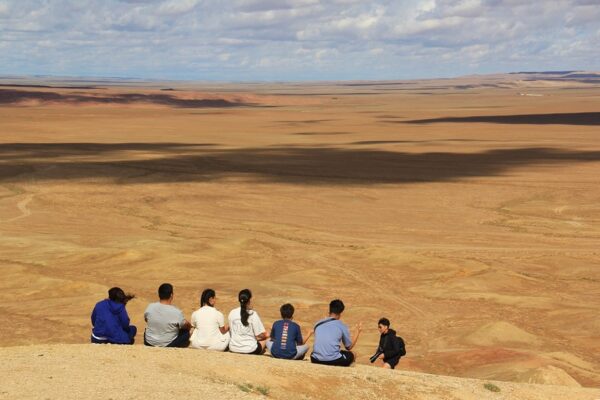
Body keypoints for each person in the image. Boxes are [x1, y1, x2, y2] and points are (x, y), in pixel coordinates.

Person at [310, 299, 362, 367]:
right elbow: (349, 347)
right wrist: (357, 332)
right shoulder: (341, 325)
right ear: (340, 312)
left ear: (330, 309)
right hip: (333, 360)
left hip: (315, 359)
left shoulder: (317, 323)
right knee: (353, 354)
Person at [144, 283, 191, 348]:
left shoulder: (150, 306)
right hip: (167, 344)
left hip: (149, 342)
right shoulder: (176, 312)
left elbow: (146, 320)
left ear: (159, 294)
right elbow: (186, 325)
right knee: (186, 333)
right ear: (171, 295)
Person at [228, 289, 268, 355]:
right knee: (266, 338)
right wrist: (266, 335)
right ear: (249, 300)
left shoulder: (232, 312)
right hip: (250, 349)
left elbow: (231, 330)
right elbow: (260, 335)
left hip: (233, 348)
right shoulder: (253, 314)